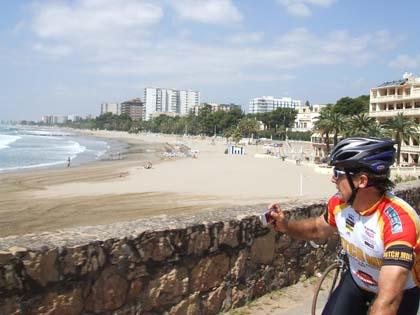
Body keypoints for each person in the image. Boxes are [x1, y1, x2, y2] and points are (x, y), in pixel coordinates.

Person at [267, 137, 420, 315]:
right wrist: (286, 226)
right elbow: (317, 228)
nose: (333, 179)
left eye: (337, 172)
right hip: (356, 282)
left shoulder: (400, 223)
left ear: (361, 181)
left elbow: (388, 301)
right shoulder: (339, 204)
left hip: (400, 293)